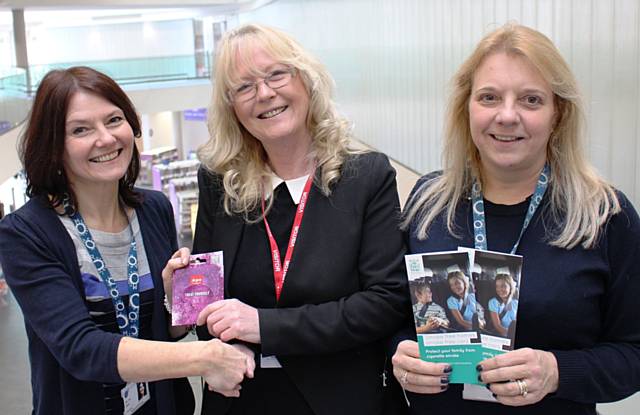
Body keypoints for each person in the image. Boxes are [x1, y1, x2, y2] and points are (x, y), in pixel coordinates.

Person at [390, 23, 640, 414]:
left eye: (530, 100)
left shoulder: (604, 216)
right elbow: (393, 316)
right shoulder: (428, 204)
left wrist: (557, 371)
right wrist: (399, 354)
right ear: (466, 108)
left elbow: (633, 353)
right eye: (489, 97)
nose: (507, 116)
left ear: (558, 113)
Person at [0, 66, 252, 415]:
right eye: (80, 130)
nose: (105, 139)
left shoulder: (154, 208)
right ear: (54, 146)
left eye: (114, 119)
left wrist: (172, 299)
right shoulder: (26, 233)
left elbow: (167, 333)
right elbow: (80, 348)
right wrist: (207, 357)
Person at [189, 23, 408, 415]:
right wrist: (209, 327)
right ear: (233, 108)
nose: (264, 94)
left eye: (276, 74)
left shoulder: (366, 177)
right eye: (244, 87)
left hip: (340, 398)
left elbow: (385, 301)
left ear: (306, 80)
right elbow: (208, 300)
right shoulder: (218, 183)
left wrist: (264, 327)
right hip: (243, 396)